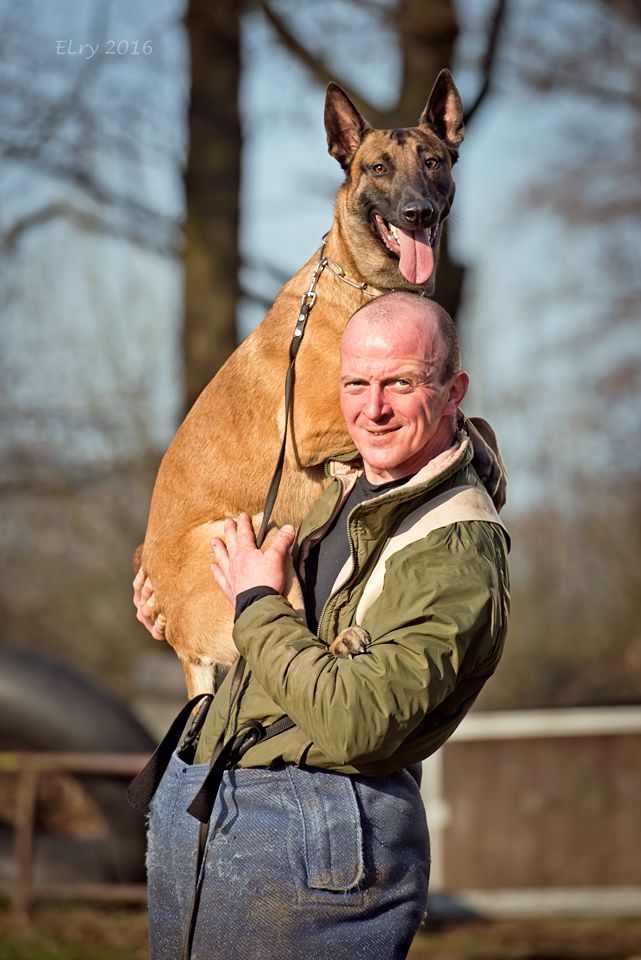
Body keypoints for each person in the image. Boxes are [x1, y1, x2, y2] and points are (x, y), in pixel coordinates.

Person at [133, 291, 510, 960]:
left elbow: (357, 721)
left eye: (400, 382)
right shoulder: (341, 489)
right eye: (355, 384)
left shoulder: (453, 543)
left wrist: (254, 602)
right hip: (221, 810)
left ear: (453, 391)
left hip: (313, 830)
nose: (373, 409)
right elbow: (279, 646)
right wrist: (181, 597)